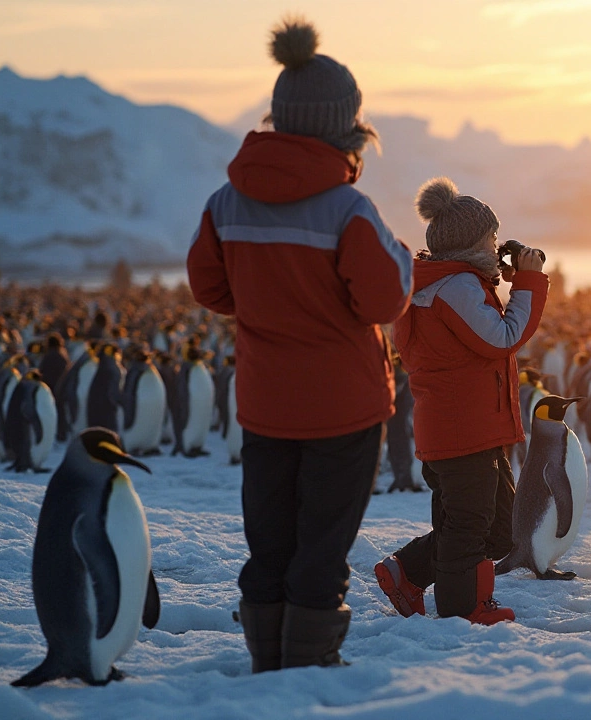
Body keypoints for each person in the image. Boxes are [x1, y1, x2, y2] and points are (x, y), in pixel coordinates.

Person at [186, 17, 413, 672]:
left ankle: (267, 657)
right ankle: (308, 663)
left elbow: (209, 287)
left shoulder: (225, 204)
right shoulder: (348, 211)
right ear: (344, 124)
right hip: (342, 409)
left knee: (271, 537)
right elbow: (384, 301)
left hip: (264, 402)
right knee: (322, 543)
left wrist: (266, 306)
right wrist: (396, 252)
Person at [374, 177, 548, 627]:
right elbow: (502, 337)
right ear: (472, 243)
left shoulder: (452, 283)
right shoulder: (453, 288)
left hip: (472, 427)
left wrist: (502, 280)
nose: (497, 245)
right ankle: (462, 608)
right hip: (463, 430)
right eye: (491, 238)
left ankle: (406, 572)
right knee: (469, 527)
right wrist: (527, 283)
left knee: (495, 527)